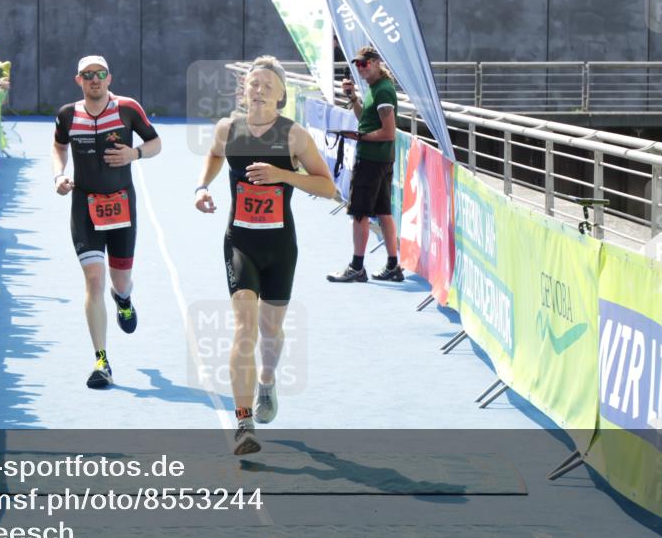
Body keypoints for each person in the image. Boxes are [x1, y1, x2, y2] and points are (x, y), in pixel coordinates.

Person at [194, 56, 336, 454]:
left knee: (271, 331)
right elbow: (215, 155)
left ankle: (267, 382)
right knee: (245, 328)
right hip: (239, 242)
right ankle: (244, 424)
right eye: (252, 83)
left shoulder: (294, 137)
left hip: (280, 247)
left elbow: (328, 188)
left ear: (281, 97)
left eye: (266, 85)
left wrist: (284, 175)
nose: (258, 90)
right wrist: (202, 188)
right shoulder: (228, 128)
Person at [53, 55, 161, 389]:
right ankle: (101, 360)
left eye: (100, 74)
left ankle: (124, 299)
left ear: (109, 78)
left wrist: (135, 154)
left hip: (121, 204)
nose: (94, 80)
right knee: (94, 280)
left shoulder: (128, 108)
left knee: (120, 279)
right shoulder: (68, 114)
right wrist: (58, 175)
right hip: (84, 204)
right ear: (79, 80)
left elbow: (155, 143)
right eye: (88, 75)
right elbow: (58, 147)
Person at [328, 46, 404, 283]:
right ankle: (393, 266)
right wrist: (352, 98)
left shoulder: (382, 91)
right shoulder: (374, 88)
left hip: (372, 160)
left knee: (359, 213)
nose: (359, 68)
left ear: (375, 62)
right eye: (357, 65)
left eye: (364, 64)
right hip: (380, 159)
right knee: (383, 212)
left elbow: (388, 133)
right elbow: (365, 120)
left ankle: (357, 267)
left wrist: (359, 137)